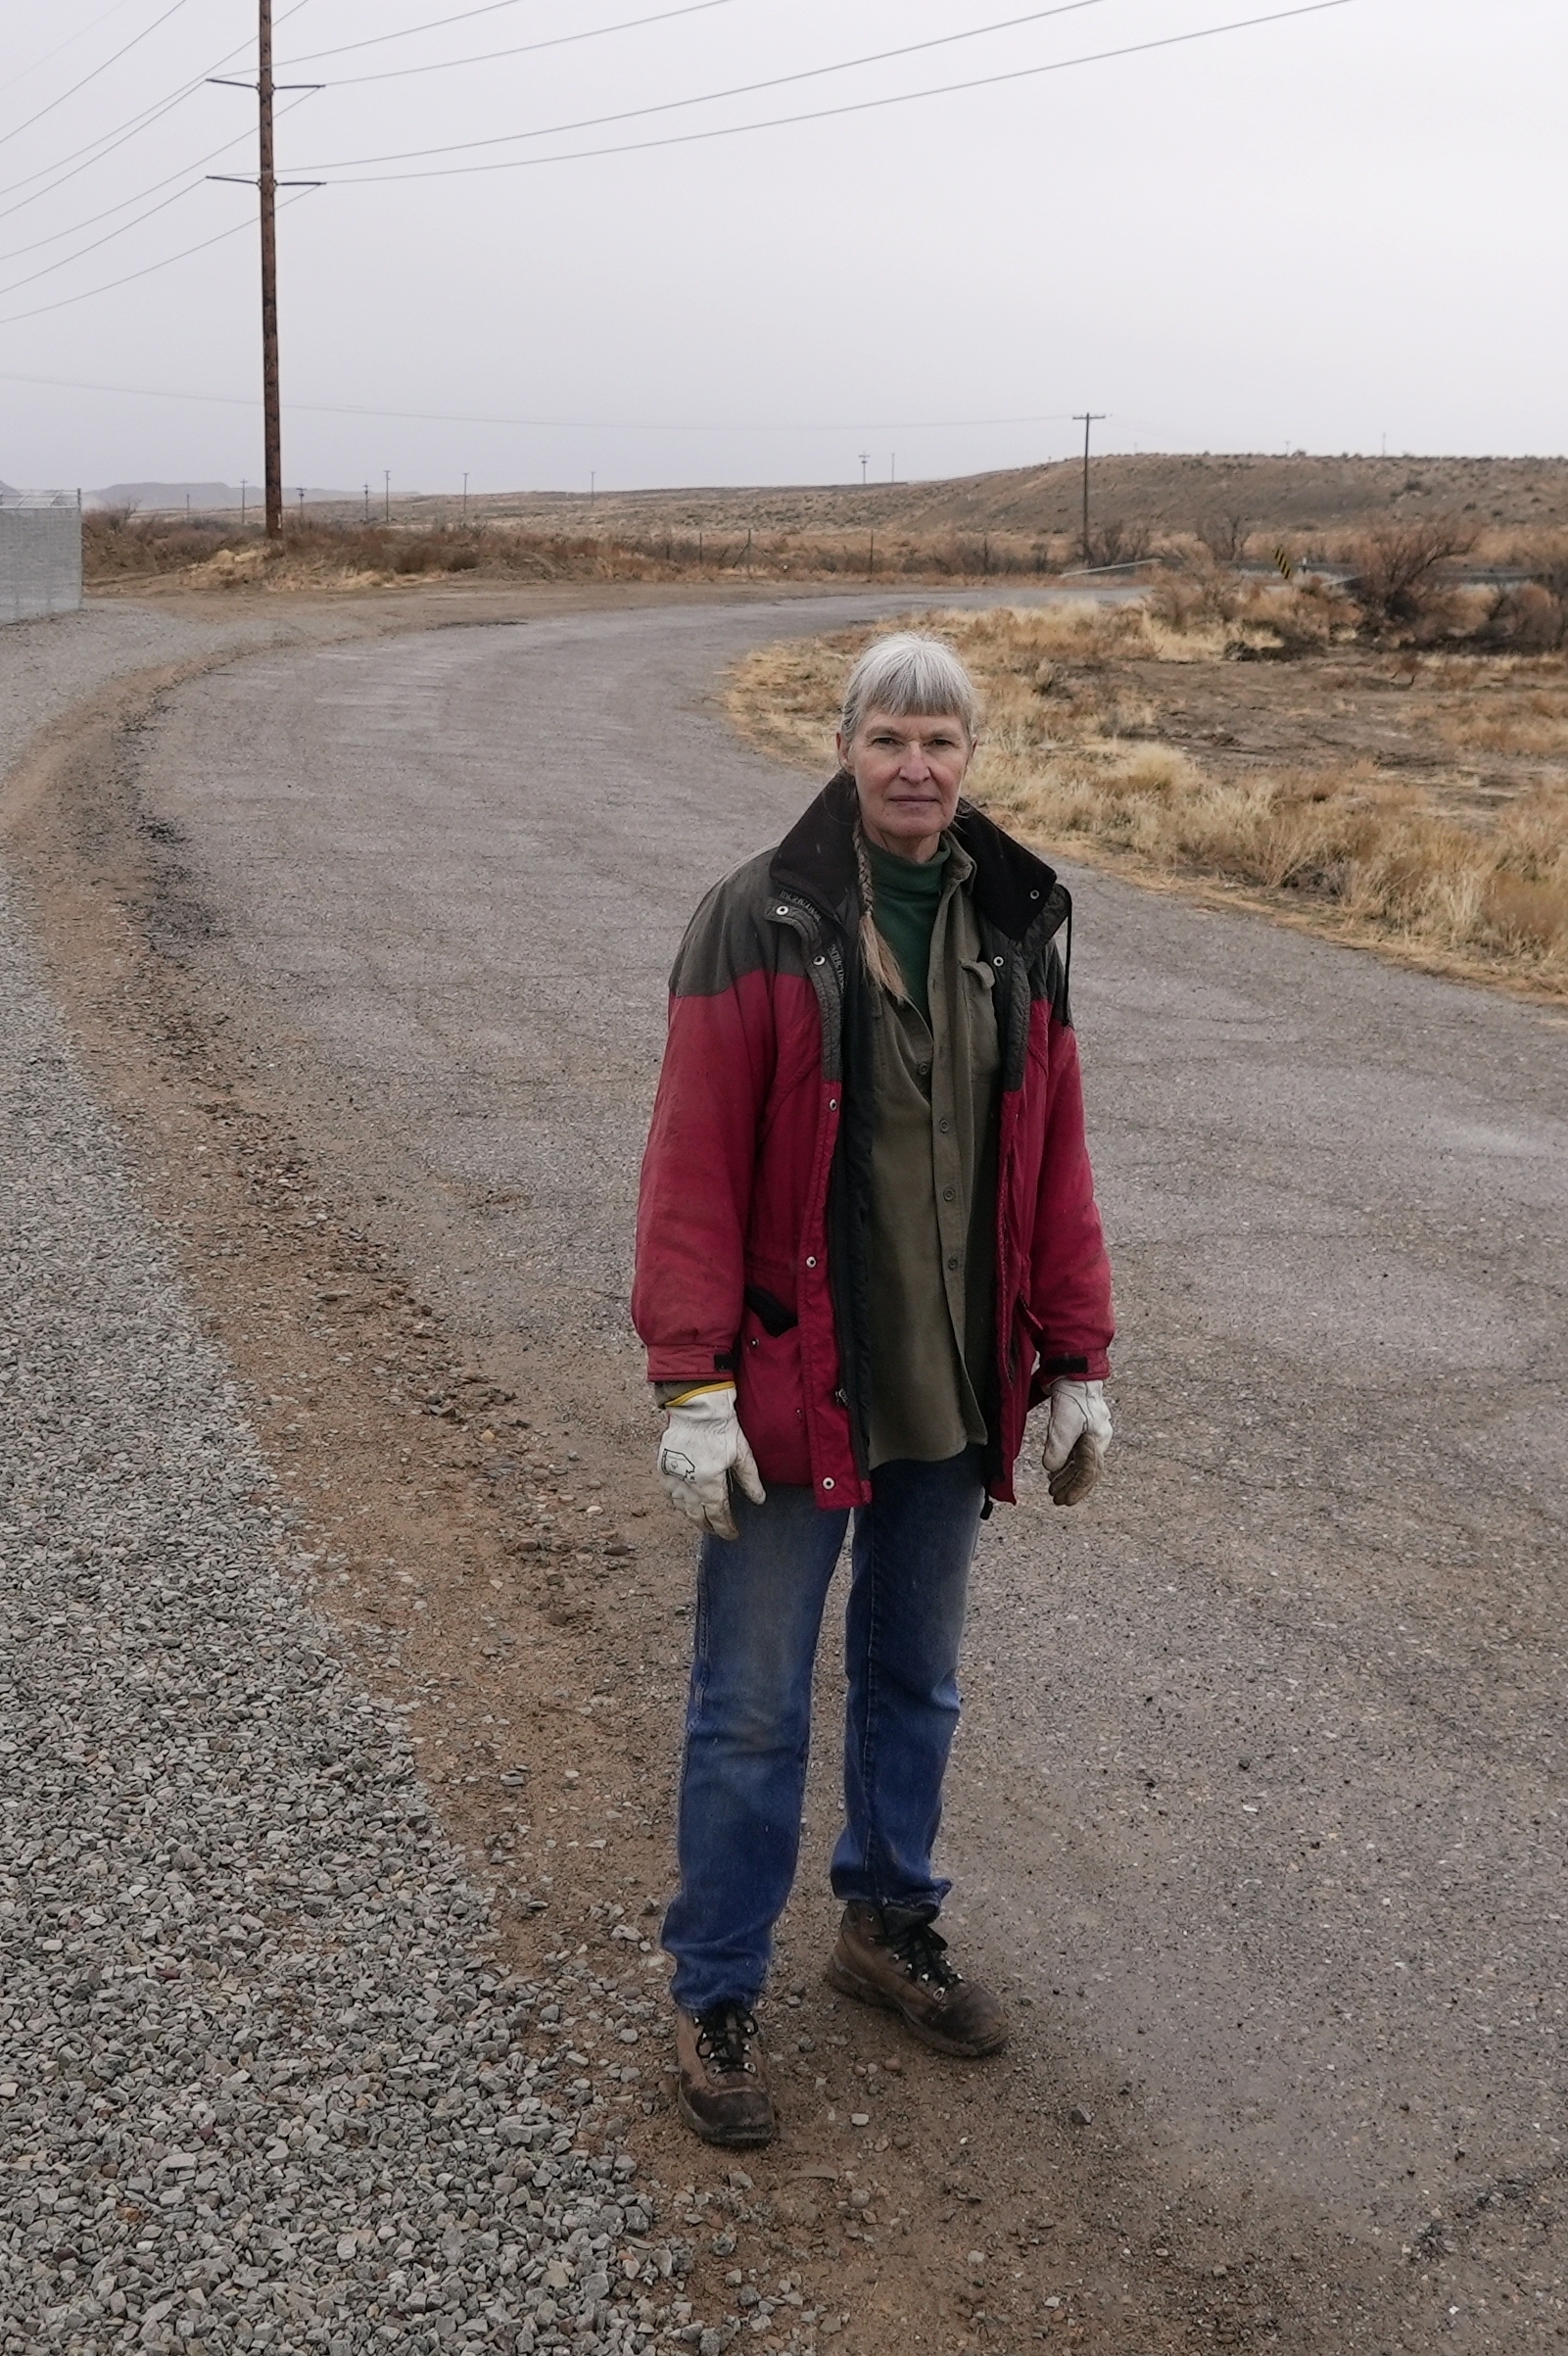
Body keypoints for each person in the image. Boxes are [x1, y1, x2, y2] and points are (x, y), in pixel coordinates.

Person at [628, 629, 1117, 2149]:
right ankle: (715, 1987)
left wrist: (1078, 1359)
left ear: (973, 762)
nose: (918, 766)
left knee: (918, 1681)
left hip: (952, 1394)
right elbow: (692, 1165)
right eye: (891, 737)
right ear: (841, 747)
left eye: (944, 743)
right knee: (753, 1708)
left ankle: (886, 1921)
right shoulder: (758, 920)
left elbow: (1054, 1162)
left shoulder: (1018, 923)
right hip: (791, 1395)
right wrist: (691, 1384)